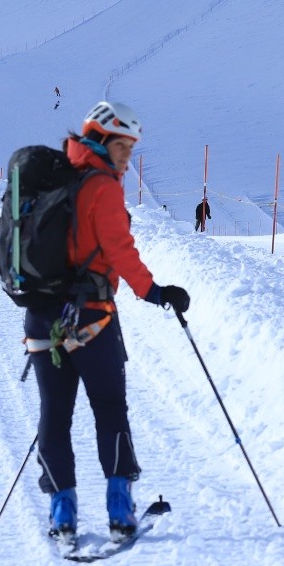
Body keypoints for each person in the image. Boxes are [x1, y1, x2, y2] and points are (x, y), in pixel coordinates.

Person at [28, 101, 190, 542]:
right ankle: (120, 510)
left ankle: (62, 515)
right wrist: (155, 293)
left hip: (42, 320)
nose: (127, 157)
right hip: (91, 319)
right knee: (110, 411)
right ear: (100, 139)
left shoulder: (52, 175)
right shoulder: (102, 187)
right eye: (122, 147)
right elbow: (120, 250)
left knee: (54, 416)